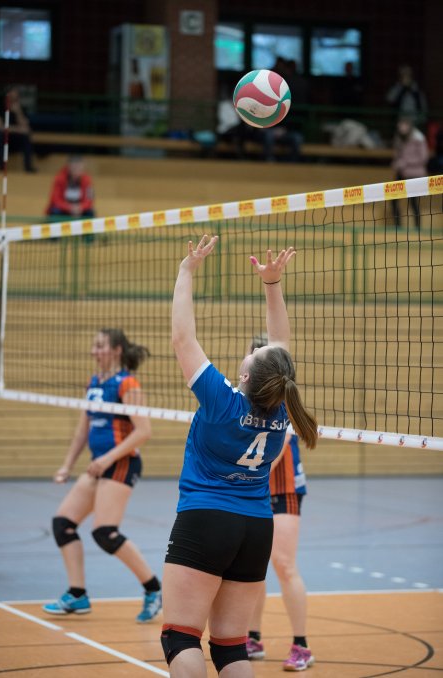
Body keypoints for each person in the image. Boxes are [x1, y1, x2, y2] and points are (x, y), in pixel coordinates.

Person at [161, 235, 318, 677]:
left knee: (180, 637)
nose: (254, 349)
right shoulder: (281, 409)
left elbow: (182, 337)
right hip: (255, 527)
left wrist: (186, 271)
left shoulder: (222, 401)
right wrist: (272, 284)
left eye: (255, 352)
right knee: (231, 647)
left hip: (206, 519)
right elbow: (280, 345)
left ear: (247, 375)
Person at [42, 328, 162, 622]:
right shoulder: (94, 383)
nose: (93, 351)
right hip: (99, 464)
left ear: (116, 350)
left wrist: (107, 458)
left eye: (100, 346)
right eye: (94, 346)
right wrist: (67, 465)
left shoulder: (128, 384)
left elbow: (143, 431)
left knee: (105, 532)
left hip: (121, 463)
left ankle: (153, 589)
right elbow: (82, 431)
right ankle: (77, 594)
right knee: (63, 524)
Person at [246, 407, 313, 671]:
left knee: (284, 564)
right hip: (251, 485)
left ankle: (301, 645)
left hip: (283, 488)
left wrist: (252, 474)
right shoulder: (242, 398)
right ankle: (253, 638)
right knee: (251, 565)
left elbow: (279, 444)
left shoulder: (282, 402)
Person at [391, 116, 429, 229]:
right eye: (400, 125)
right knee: (393, 198)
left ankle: (417, 227)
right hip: (401, 173)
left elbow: (423, 158)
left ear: (409, 126)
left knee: (413, 201)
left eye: (403, 125)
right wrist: (397, 162)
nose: (401, 127)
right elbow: (398, 155)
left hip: (414, 175)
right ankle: (397, 226)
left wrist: (405, 162)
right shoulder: (399, 138)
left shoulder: (419, 138)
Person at [0, 86, 36, 172]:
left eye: (16, 98)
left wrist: (18, 112)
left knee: (26, 138)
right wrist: (18, 129)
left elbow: (27, 129)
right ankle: (1, 167)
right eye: (11, 97)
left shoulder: (21, 109)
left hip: (15, 141)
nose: (13, 100)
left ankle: (28, 167)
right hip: (2, 140)